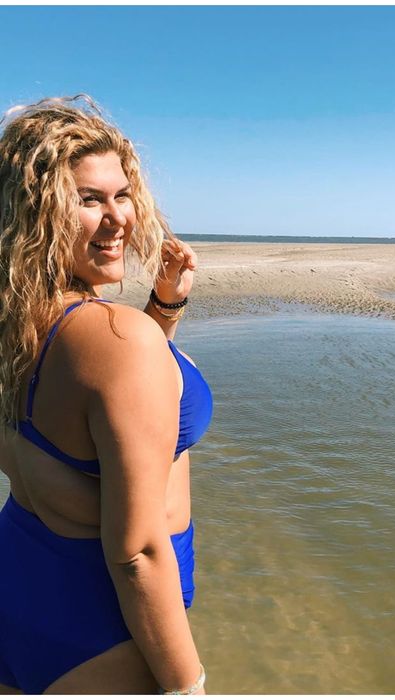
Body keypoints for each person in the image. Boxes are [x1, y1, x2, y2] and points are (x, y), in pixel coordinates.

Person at [0, 97, 212, 694]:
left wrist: (163, 308)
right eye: (89, 199)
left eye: (122, 195)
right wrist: (187, 686)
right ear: (33, 213)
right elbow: (137, 552)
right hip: (102, 625)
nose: (119, 218)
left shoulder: (20, 325)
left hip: (21, 578)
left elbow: (94, 411)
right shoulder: (120, 342)